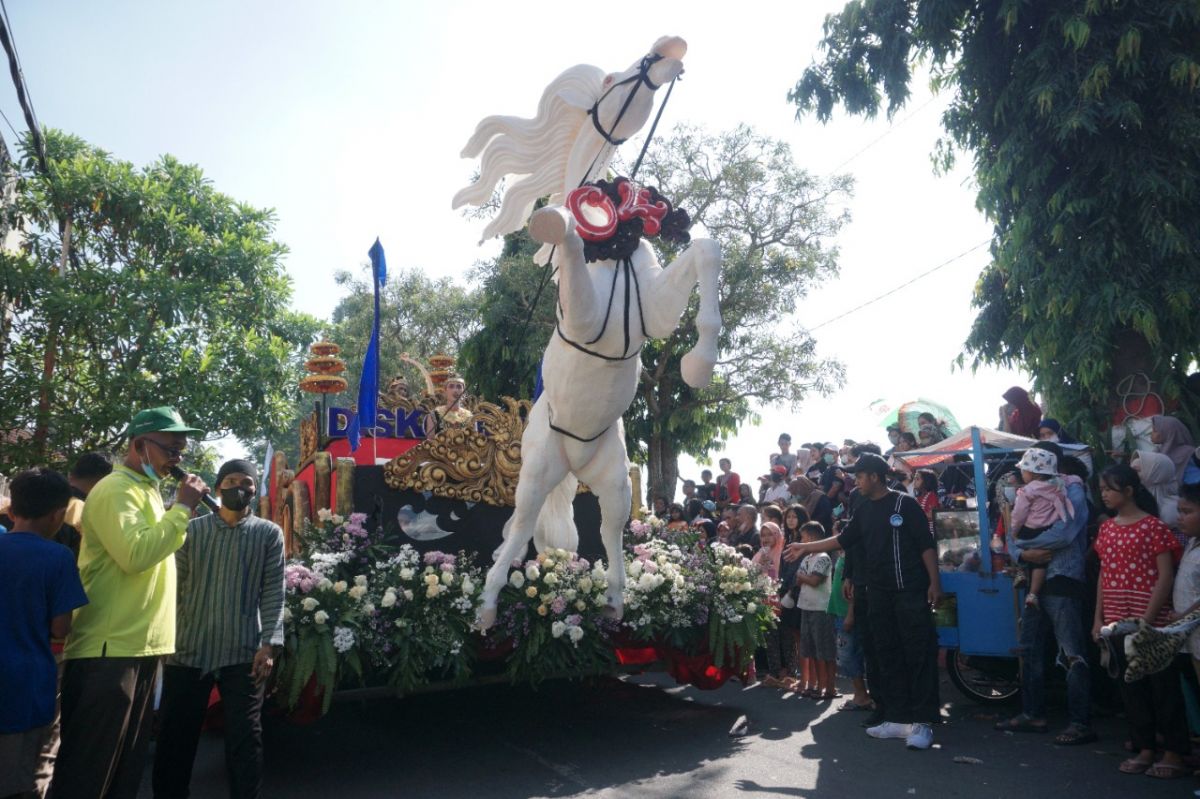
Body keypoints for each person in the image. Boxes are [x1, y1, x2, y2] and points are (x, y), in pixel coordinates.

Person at [52, 407, 208, 799]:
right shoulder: (115, 489)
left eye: (181, 450)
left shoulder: (148, 492)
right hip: (109, 650)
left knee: (124, 773)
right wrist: (183, 508)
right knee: (90, 773)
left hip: (141, 647)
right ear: (139, 445)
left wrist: (177, 511)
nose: (177, 459)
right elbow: (136, 555)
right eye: (170, 448)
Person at [785, 453, 941, 751]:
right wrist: (804, 547)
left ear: (874, 476)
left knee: (918, 653)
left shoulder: (903, 503)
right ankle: (896, 719)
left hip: (910, 590)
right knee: (887, 654)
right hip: (878, 593)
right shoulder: (864, 509)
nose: (854, 481)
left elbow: (925, 544)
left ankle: (923, 723)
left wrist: (935, 582)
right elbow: (842, 540)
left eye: (858, 475)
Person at [153, 459, 285, 799]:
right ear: (219, 485)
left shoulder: (268, 534)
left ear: (255, 490)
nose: (239, 487)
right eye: (231, 480)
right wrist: (164, 640)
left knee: (245, 739)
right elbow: (173, 588)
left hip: (244, 652)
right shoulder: (190, 531)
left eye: (246, 482)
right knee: (175, 737)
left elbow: (273, 591)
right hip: (187, 649)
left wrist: (269, 644)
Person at [997, 441, 1096, 745]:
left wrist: (1024, 548)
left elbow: (1066, 532)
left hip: (1063, 579)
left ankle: (1080, 722)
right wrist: (1024, 555)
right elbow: (1012, 532)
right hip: (1033, 581)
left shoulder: (1072, 490)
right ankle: (1033, 713)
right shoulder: (1029, 491)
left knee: (1071, 653)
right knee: (1031, 649)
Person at [1092, 463, 1185, 778]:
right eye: (1102, 489)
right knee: (1131, 689)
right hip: (1118, 622)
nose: (1103, 494)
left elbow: (1165, 576)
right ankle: (1145, 748)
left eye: (1109, 488)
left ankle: (1173, 751)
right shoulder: (1107, 529)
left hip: (1153, 624)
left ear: (1129, 491)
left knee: (1163, 689)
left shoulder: (1154, 527)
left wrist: (1146, 621)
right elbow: (1104, 575)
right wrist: (1098, 619)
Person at [0, 469, 88, 799]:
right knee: (22, 779)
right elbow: (60, 628)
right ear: (58, 515)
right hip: (28, 686)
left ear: (11, 511)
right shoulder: (58, 557)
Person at [1009, 448, 1078, 609]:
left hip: (1029, 529)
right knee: (1040, 563)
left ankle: (1020, 573)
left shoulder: (1027, 491)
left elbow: (1019, 514)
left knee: (1017, 547)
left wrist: (1013, 531)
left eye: (1024, 470)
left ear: (1033, 473)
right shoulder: (1058, 486)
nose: (1022, 474)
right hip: (1048, 527)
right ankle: (1033, 594)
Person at [794, 521, 838, 700]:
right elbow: (800, 580)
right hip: (806, 606)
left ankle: (829, 687)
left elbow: (814, 580)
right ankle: (816, 684)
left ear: (811, 538)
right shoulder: (806, 558)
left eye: (803, 537)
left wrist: (802, 577)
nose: (801, 540)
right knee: (810, 648)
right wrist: (803, 577)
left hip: (821, 608)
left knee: (824, 649)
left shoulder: (823, 557)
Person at [1170, 483, 1200, 686]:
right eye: (1179, 511)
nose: (1180, 517)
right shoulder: (1192, 543)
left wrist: (1183, 616)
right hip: (1191, 637)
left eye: (1187, 512)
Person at [752, 522, 786, 685]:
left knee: (785, 638)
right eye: (763, 535)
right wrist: (763, 563)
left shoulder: (783, 552)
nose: (766, 539)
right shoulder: (760, 553)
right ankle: (773, 672)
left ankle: (787, 673)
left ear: (777, 535)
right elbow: (753, 576)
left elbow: (781, 576)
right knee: (769, 637)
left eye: (769, 534)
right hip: (764, 601)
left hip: (782, 600)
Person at [1133, 451, 1181, 529]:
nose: (1131, 474)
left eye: (1136, 471)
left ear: (1155, 473)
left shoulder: (1172, 510)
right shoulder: (1132, 501)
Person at [1150, 414, 1196, 487]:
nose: (1151, 433)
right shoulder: (1158, 453)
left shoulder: (1188, 453)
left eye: (1155, 430)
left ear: (1168, 432)